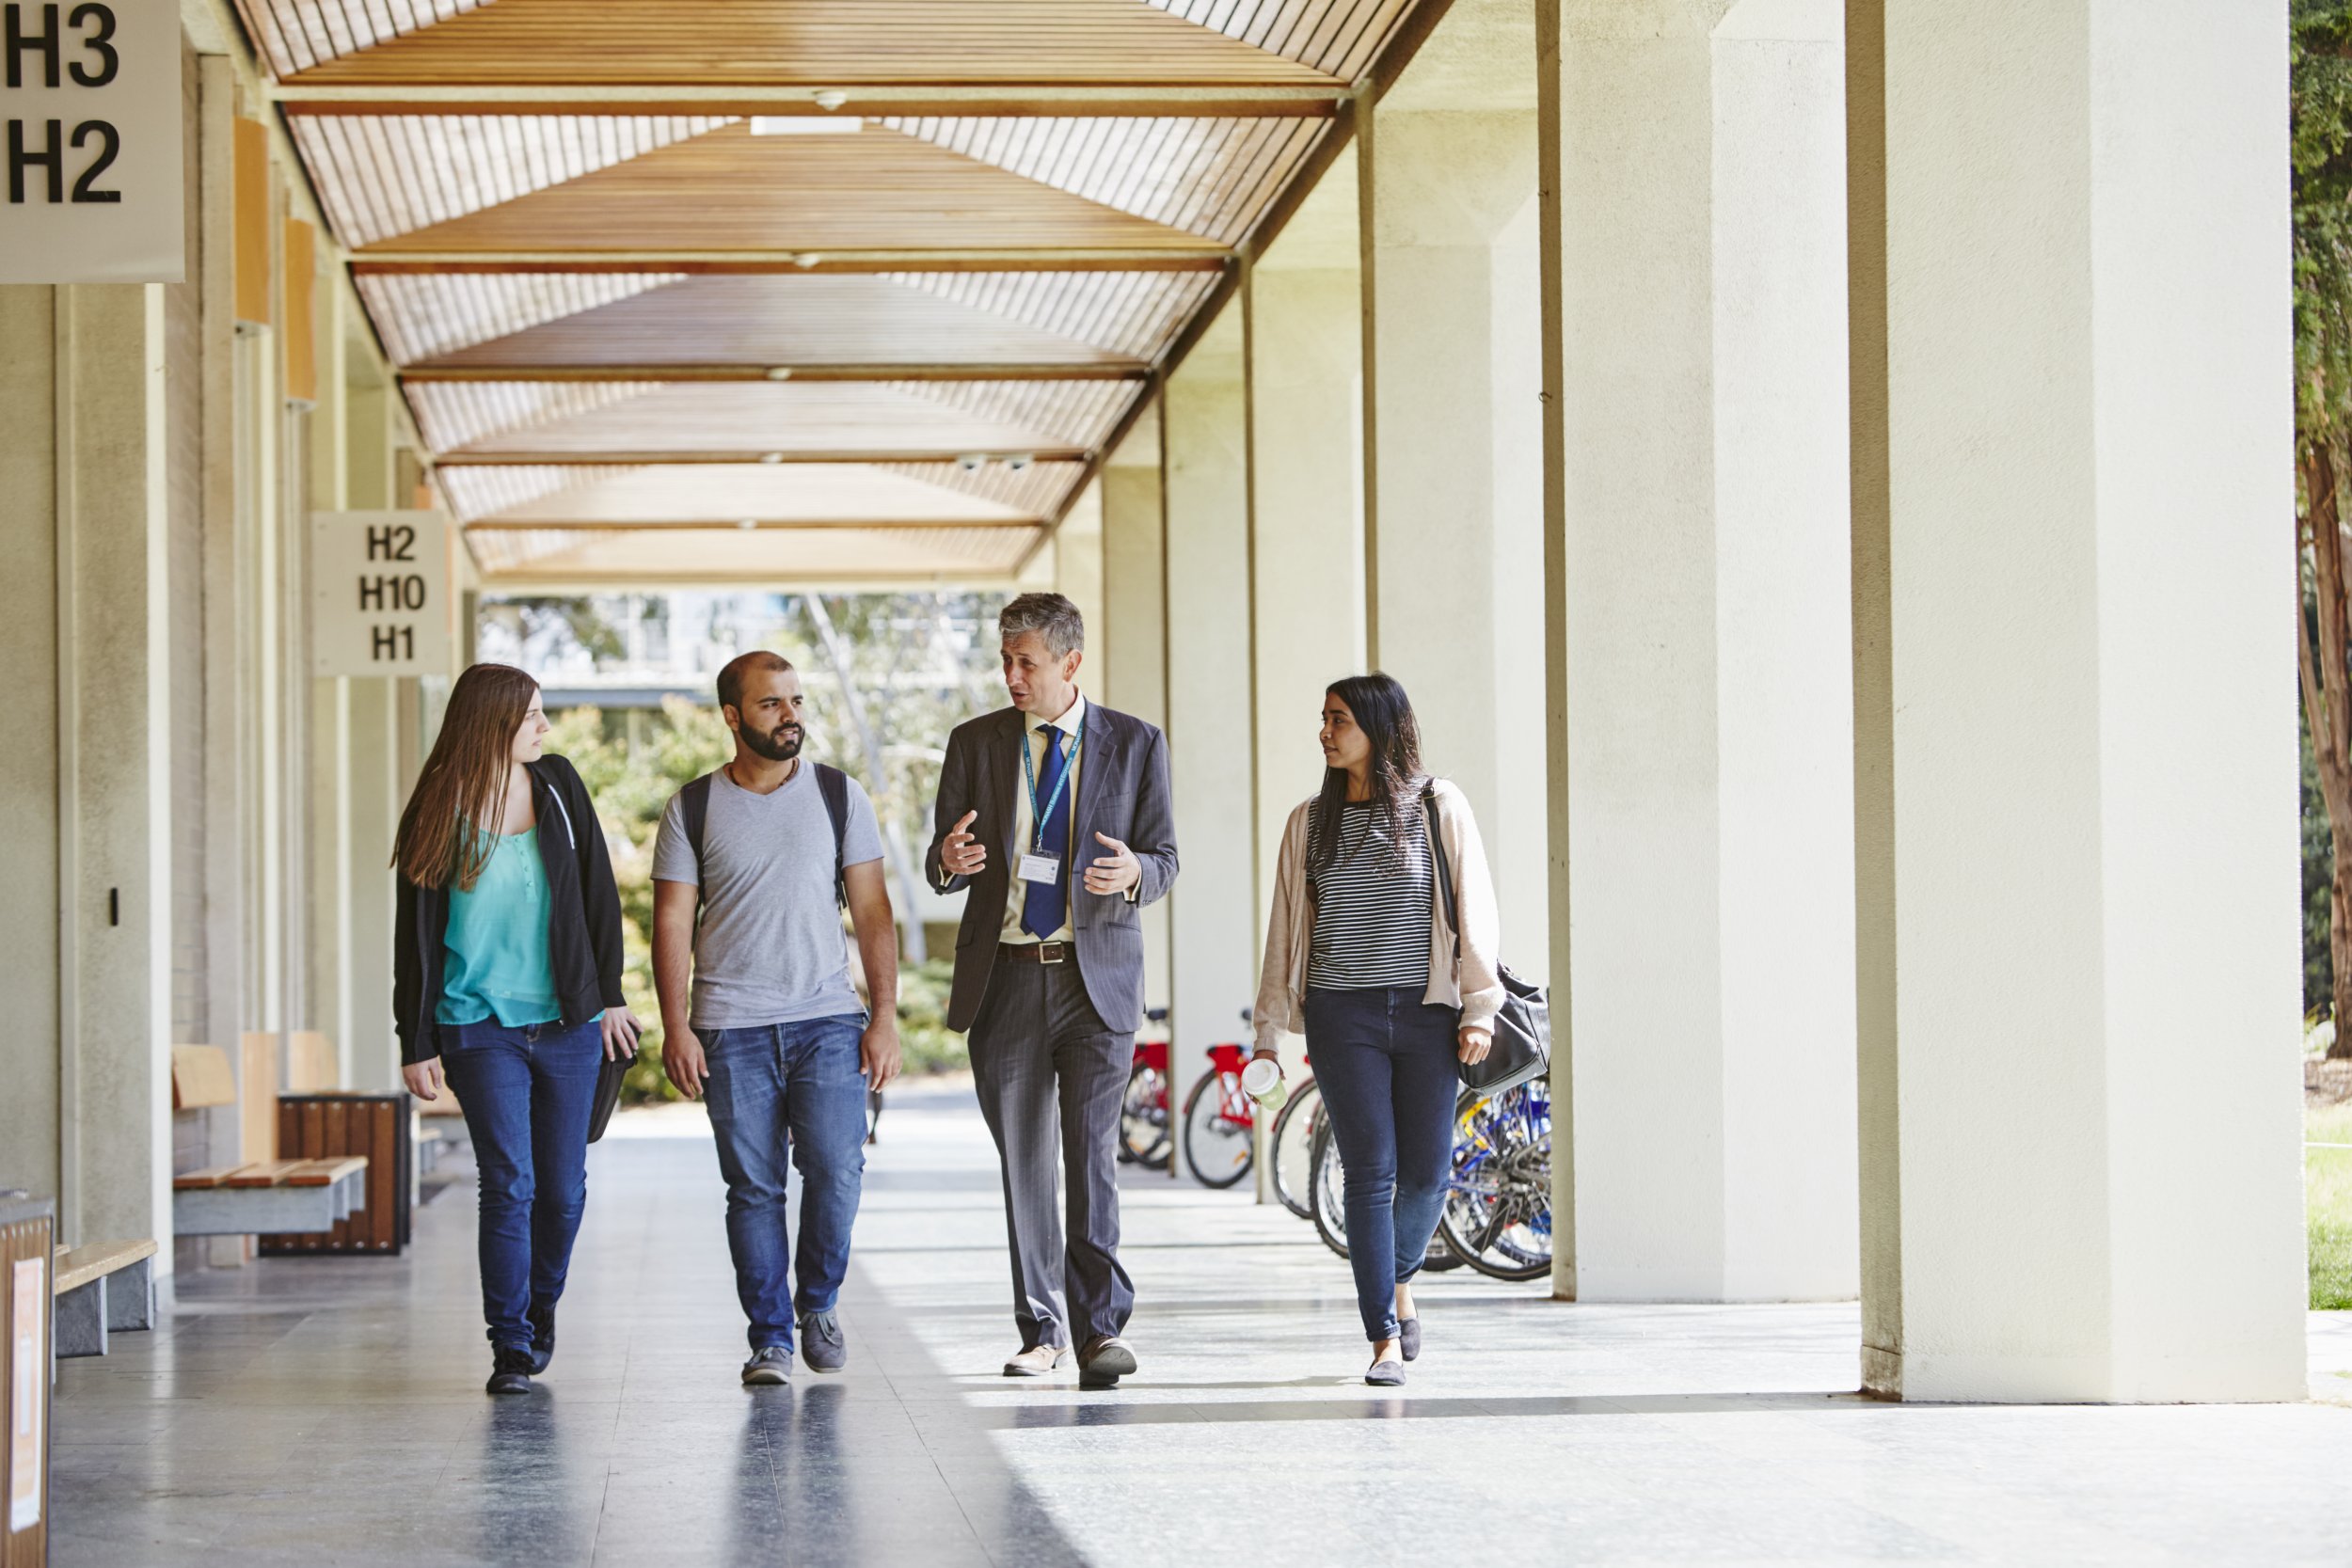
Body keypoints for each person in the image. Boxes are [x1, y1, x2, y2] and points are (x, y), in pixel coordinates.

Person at [925, 592, 1177, 1389]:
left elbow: (1165, 855)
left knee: (1092, 1157)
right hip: (1002, 977)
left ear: (1071, 663)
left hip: (1094, 977)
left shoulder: (1135, 743)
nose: (1011, 675)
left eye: (1026, 661)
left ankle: (1100, 1329)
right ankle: (1042, 1331)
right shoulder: (975, 742)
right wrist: (947, 861)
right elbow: (943, 852)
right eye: (1004, 659)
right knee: (1025, 1164)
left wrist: (1138, 872)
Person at [652, 651, 901, 1386]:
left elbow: (874, 911)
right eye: (771, 704)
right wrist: (676, 1025)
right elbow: (671, 922)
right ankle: (770, 1338)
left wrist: (883, 1016)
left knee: (836, 1166)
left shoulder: (837, 795)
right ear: (733, 716)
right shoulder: (691, 808)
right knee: (754, 1187)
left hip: (827, 1017)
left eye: (795, 700)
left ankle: (817, 1301)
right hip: (730, 1025)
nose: (791, 714)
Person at [394, 663, 642, 1397]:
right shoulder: (437, 807)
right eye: (532, 716)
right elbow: (412, 934)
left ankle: (539, 1308)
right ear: (493, 724)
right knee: (509, 1181)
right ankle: (508, 1343)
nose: (544, 728)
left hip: (565, 1020)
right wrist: (416, 1039)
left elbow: (597, 891)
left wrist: (611, 996)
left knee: (563, 1190)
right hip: (476, 1025)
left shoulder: (559, 787)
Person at [1249, 673, 1502, 1386]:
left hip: (1428, 1014)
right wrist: (1269, 1028)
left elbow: (1476, 911)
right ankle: (1383, 1335)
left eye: (1338, 720)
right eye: (1323, 719)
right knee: (1369, 1170)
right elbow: (1283, 932)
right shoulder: (1308, 821)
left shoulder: (1436, 805)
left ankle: (1398, 1278)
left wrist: (1479, 1009)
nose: (1324, 732)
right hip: (1341, 1014)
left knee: (1427, 1173)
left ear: (1379, 727)